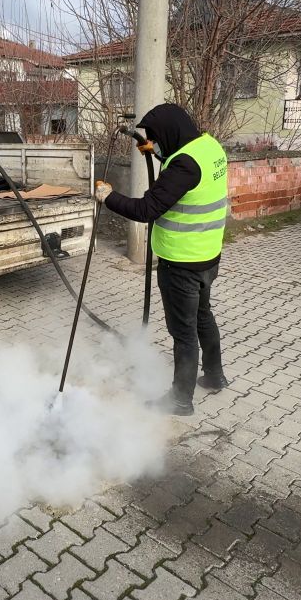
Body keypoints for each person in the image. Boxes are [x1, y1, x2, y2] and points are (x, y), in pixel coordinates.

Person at [94, 103, 228, 416]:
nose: (158, 144)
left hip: (181, 263)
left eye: (158, 139)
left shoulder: (183, 167)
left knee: (183, 333)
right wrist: (152, 151)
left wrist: (108, 196)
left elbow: (146, 209)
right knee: (203, 316)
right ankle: (214, 375)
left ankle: (181, 400)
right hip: (208, 256)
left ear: (169, 133)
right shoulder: (208, 147)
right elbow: (180, 166)